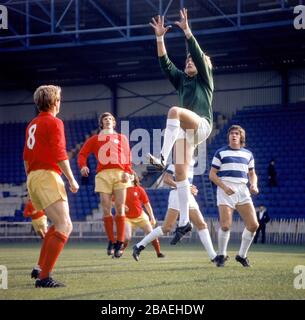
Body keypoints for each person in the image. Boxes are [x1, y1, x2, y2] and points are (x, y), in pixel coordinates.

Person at [147, 8, 214, 245]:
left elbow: (196, 51)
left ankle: (161, 159)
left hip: (202, 125)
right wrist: (159, 37)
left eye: (192, 61)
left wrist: (186, 30)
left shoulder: (205, 80)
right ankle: (184, 222)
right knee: (182, 176)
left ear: (201, 65)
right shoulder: (182, 80)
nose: (188, 62)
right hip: (187, 133)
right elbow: (165, 63)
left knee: (174, 111)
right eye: (186, 61)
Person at [23, 85, 79, 288]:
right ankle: (44, 277)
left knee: (56, 225)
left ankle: (39, 267)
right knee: (65, 225)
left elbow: (26, 157)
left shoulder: (32, 124)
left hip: (33, 176)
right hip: (47, 175)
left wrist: (32, 178)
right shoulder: (54, 122)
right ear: (55, 102)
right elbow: (59, 153)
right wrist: (72, 179)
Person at [133, 160, 217, 263]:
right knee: (167, 227)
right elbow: (166, 179)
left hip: (187, 196)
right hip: (177, 195)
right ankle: (139, 246)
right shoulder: (178, 161)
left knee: (202, 225)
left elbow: (185, 182)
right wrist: (185, 188)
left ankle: (213, 256)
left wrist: (190, 188)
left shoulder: (192, 161)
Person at [77, 112, 132, 258]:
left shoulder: (122, 138)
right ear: (101, 124)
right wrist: (83, 166)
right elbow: (82, 154)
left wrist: (128, 171)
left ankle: (120, 241)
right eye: (105, 119)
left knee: (120, 208)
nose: (108, 120)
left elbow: (128, 158)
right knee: (106, 209)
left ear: (114, 123)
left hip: (120, 174)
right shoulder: (94, 139)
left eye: (110, 119)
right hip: (103, 175)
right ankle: (111, 240)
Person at [209, 125, 259, 267]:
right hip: (225, 188)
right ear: (229, 136)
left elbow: (252, 174)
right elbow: (212, 175)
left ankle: (241, 256)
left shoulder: (248, 154)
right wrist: (224, 187)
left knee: (253, 225)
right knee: (225, 225)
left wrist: (254, 185)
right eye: (231, 133)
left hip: (242, 190)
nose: (234, 135)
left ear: (241, 137)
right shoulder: (220, 152)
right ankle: (221, 255)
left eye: (237, 133)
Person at [118, 172, 164, 258]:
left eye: (131, 174)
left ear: (134, 177)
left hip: (141, 216)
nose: (129, 176)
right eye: (128, 174)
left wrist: (152, 217)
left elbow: (147, 204)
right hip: (127, 218)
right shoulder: (121, 190)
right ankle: (121, 250)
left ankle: (158, 252)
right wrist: (121, 205)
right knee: (127, 237)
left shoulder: (139, 189)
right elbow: (113, 201)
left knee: (151, 233)